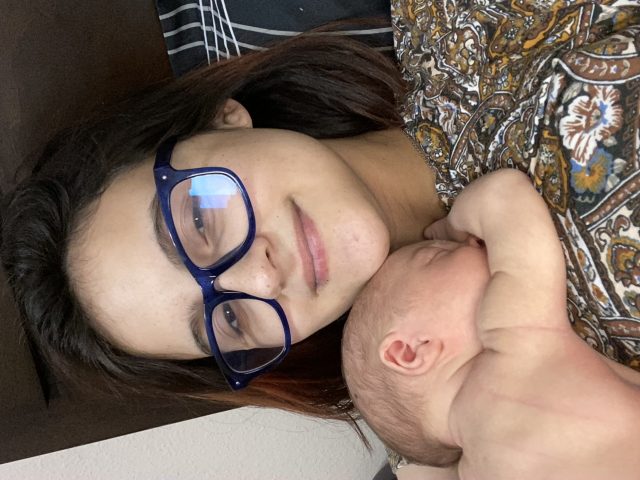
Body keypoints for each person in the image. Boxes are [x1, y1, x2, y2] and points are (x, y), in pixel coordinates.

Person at [1, 2, 640, 477]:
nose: (258, 277)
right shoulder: (462, 421)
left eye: (199, 222)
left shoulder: (460, 19)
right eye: (229, 323)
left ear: (222, 116)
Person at [342, 169, 640, 478]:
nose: (471, 245)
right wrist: (451, 227)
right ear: (412, 350)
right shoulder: (514, 345)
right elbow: (502, 196)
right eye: (436, 255)